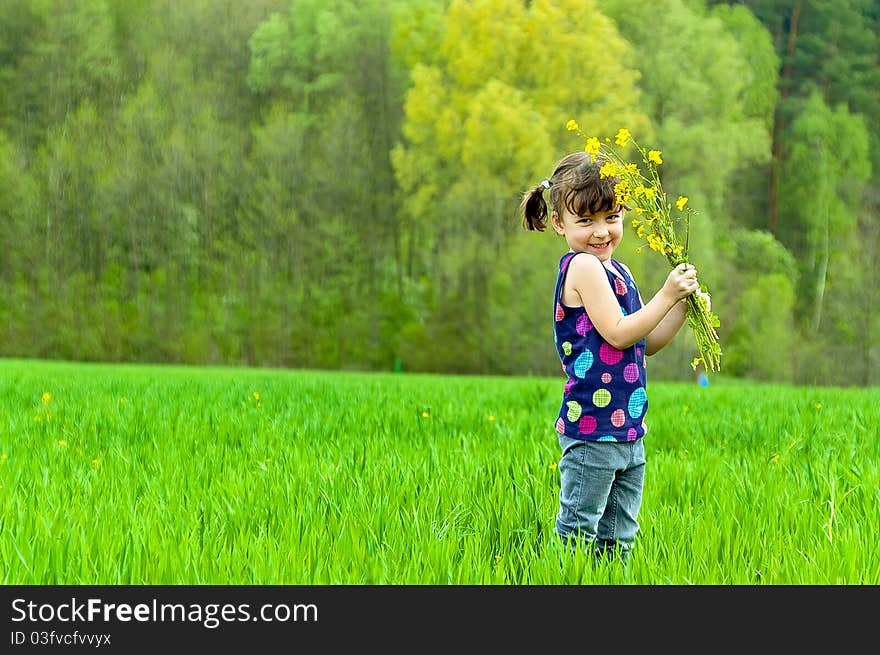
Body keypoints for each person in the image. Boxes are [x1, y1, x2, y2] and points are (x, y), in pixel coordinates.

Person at [521, 150, 704, 561]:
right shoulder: (583, 268)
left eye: (611, 217)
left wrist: (681, 308)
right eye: (585, 221)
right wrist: (667, 293)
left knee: (619, 540)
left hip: (627, 429)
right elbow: (619, 335)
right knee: (577, 534)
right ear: (558, 223)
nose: (600, 232)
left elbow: (645, 342)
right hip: (592, 429)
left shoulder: (618, 271)